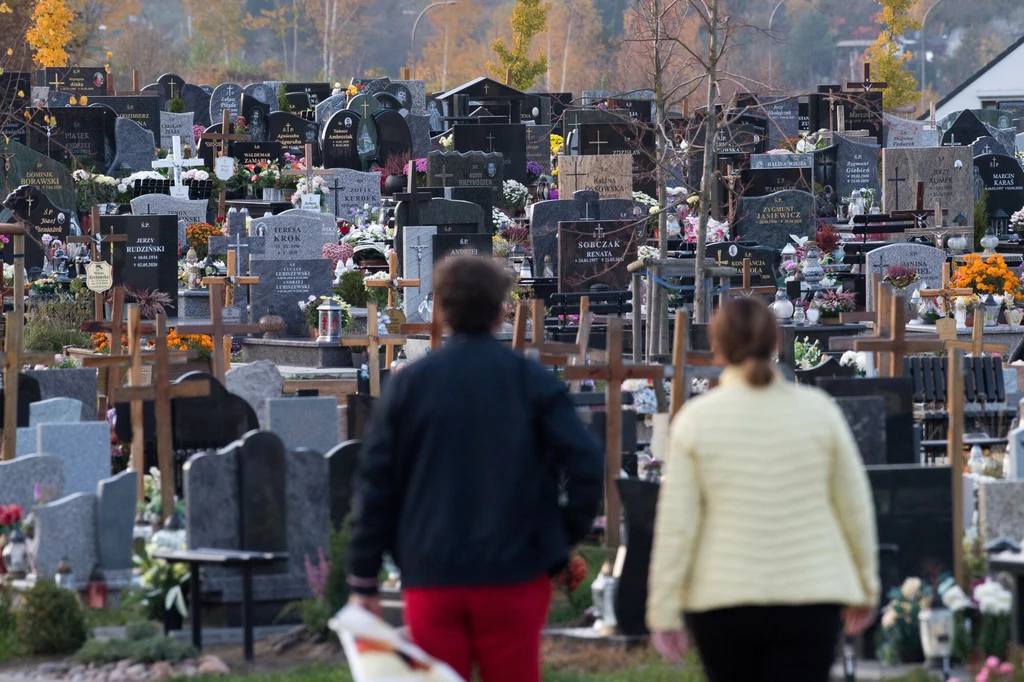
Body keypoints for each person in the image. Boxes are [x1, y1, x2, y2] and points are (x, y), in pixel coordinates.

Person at [347, 256, 604, 682]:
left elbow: (376, 482)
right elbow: (586, 461)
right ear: (501, 308)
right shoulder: (530, 380)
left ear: (443, 309)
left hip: (433, 571)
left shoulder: (412, 384)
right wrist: (558, 539)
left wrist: (363, 578)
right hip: (514, 568)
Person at [647, 297, 879, 682]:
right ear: (775, 344)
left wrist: (663, 611)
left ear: (717, 348)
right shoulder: (819, 410)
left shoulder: (696, 420)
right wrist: (866, 588)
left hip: (722, 598)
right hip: (811, 595)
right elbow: (854, 506)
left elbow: (677, 525)